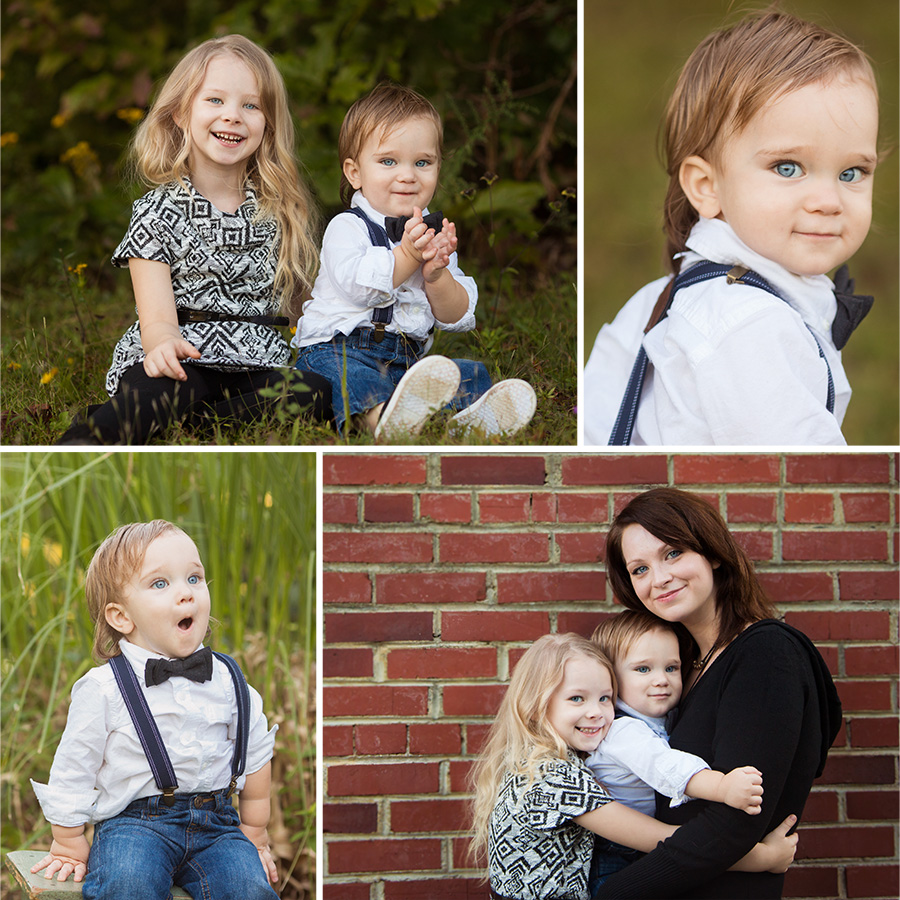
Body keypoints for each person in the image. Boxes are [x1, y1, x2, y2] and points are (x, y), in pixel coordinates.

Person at [584, 11, 879, 445]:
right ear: (707, 187)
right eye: (788, 167)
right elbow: (805, 467)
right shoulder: (750, 327)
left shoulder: (672, 292)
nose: (828, 202)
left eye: (851, 173)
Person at [57, 35, 331, 445]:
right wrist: (163, 342)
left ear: (268, 123)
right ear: (181, 114)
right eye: (215, 100)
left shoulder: (279, 210)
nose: (233, 116)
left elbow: (299, 301)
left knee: (317, 391)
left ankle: (193, 425)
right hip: (184, 359)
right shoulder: (160, 210)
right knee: (162, 392)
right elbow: (157, 318)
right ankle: (88, 438)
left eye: (251, 105)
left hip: (256, 365)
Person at [596, 488, 842, 898]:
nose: (658, 578)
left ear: (711, 553)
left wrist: (614, 894)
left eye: (672, 553)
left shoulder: (766, 654)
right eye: (639, 569)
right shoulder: (681, 669)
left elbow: (734, 822)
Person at [29, 520, 279, 899]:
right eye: (160, 584)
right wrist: (68, 840)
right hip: (136, 825)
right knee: (127, 884)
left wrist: (256, 832)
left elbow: (256, 753)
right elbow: (74, 767)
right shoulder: (104, 689)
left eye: (194, 578)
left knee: (248, 887)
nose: (186, 594)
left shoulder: (228, 680)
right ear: (121, 617)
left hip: (217, 826)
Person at [468, 632, 798, 900]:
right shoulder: (553, 777)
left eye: (605, 698)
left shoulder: (530, 759)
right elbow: (666, 842)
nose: (597, 712)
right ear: (536, 706)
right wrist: (762, 859)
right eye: (576, 699)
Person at [293, 82, 536, 442]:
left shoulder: (431, 236)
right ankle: (380, 420)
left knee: (468, 373)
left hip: (406, 363)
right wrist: (407, 255)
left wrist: (437, 276)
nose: (408, 175)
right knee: (352, 377)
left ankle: (463, 420)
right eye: (388, 161)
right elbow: (359, 287)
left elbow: (456, 317)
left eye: (422, 162)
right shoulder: (347, 227)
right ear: (354, 172)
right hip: (339, 349)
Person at [585, 611, 763, 890]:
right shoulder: (623, 732)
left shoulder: (661, 717)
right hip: (615, 856)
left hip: (643, 846)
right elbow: (666, 767)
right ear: (610, 679)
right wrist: (723, 787)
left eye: (671, 668)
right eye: (643, 669)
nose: (661, 680)